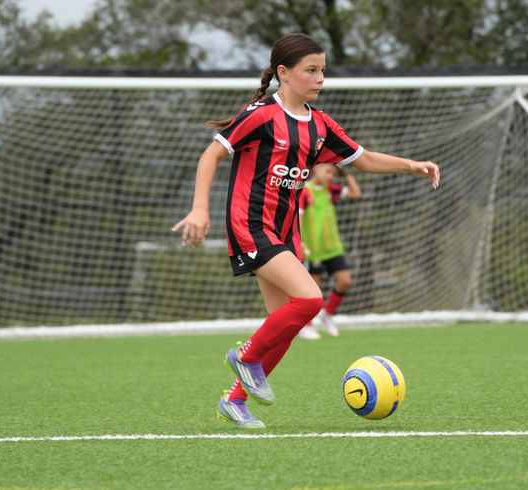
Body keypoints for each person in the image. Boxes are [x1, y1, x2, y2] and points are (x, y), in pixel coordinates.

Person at [172, 33, 439, 430]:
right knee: (311, 300)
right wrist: (199, 208)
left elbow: (363, 159)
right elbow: (211, 153)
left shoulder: (319, 124)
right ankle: (245, 357)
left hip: (284, 233)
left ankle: (235, 400)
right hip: (251, 225)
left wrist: (411, 165)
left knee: (283, 326)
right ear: (284, 73)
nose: (319, 79)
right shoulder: (261, 114)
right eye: (310, 70)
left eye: (323, 71)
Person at [298, 164, 361, 340]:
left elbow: (356, 193)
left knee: (345, 281)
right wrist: (300, 242)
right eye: (328, 171)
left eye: (334, 173)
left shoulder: (331, 190)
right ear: (316, 168)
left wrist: (345, 173)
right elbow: (299, 218)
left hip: (332, 248)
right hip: (313, 249)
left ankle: (328, 315)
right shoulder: (305, 192)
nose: (331, 176)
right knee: (312, 290)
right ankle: (307, 326)